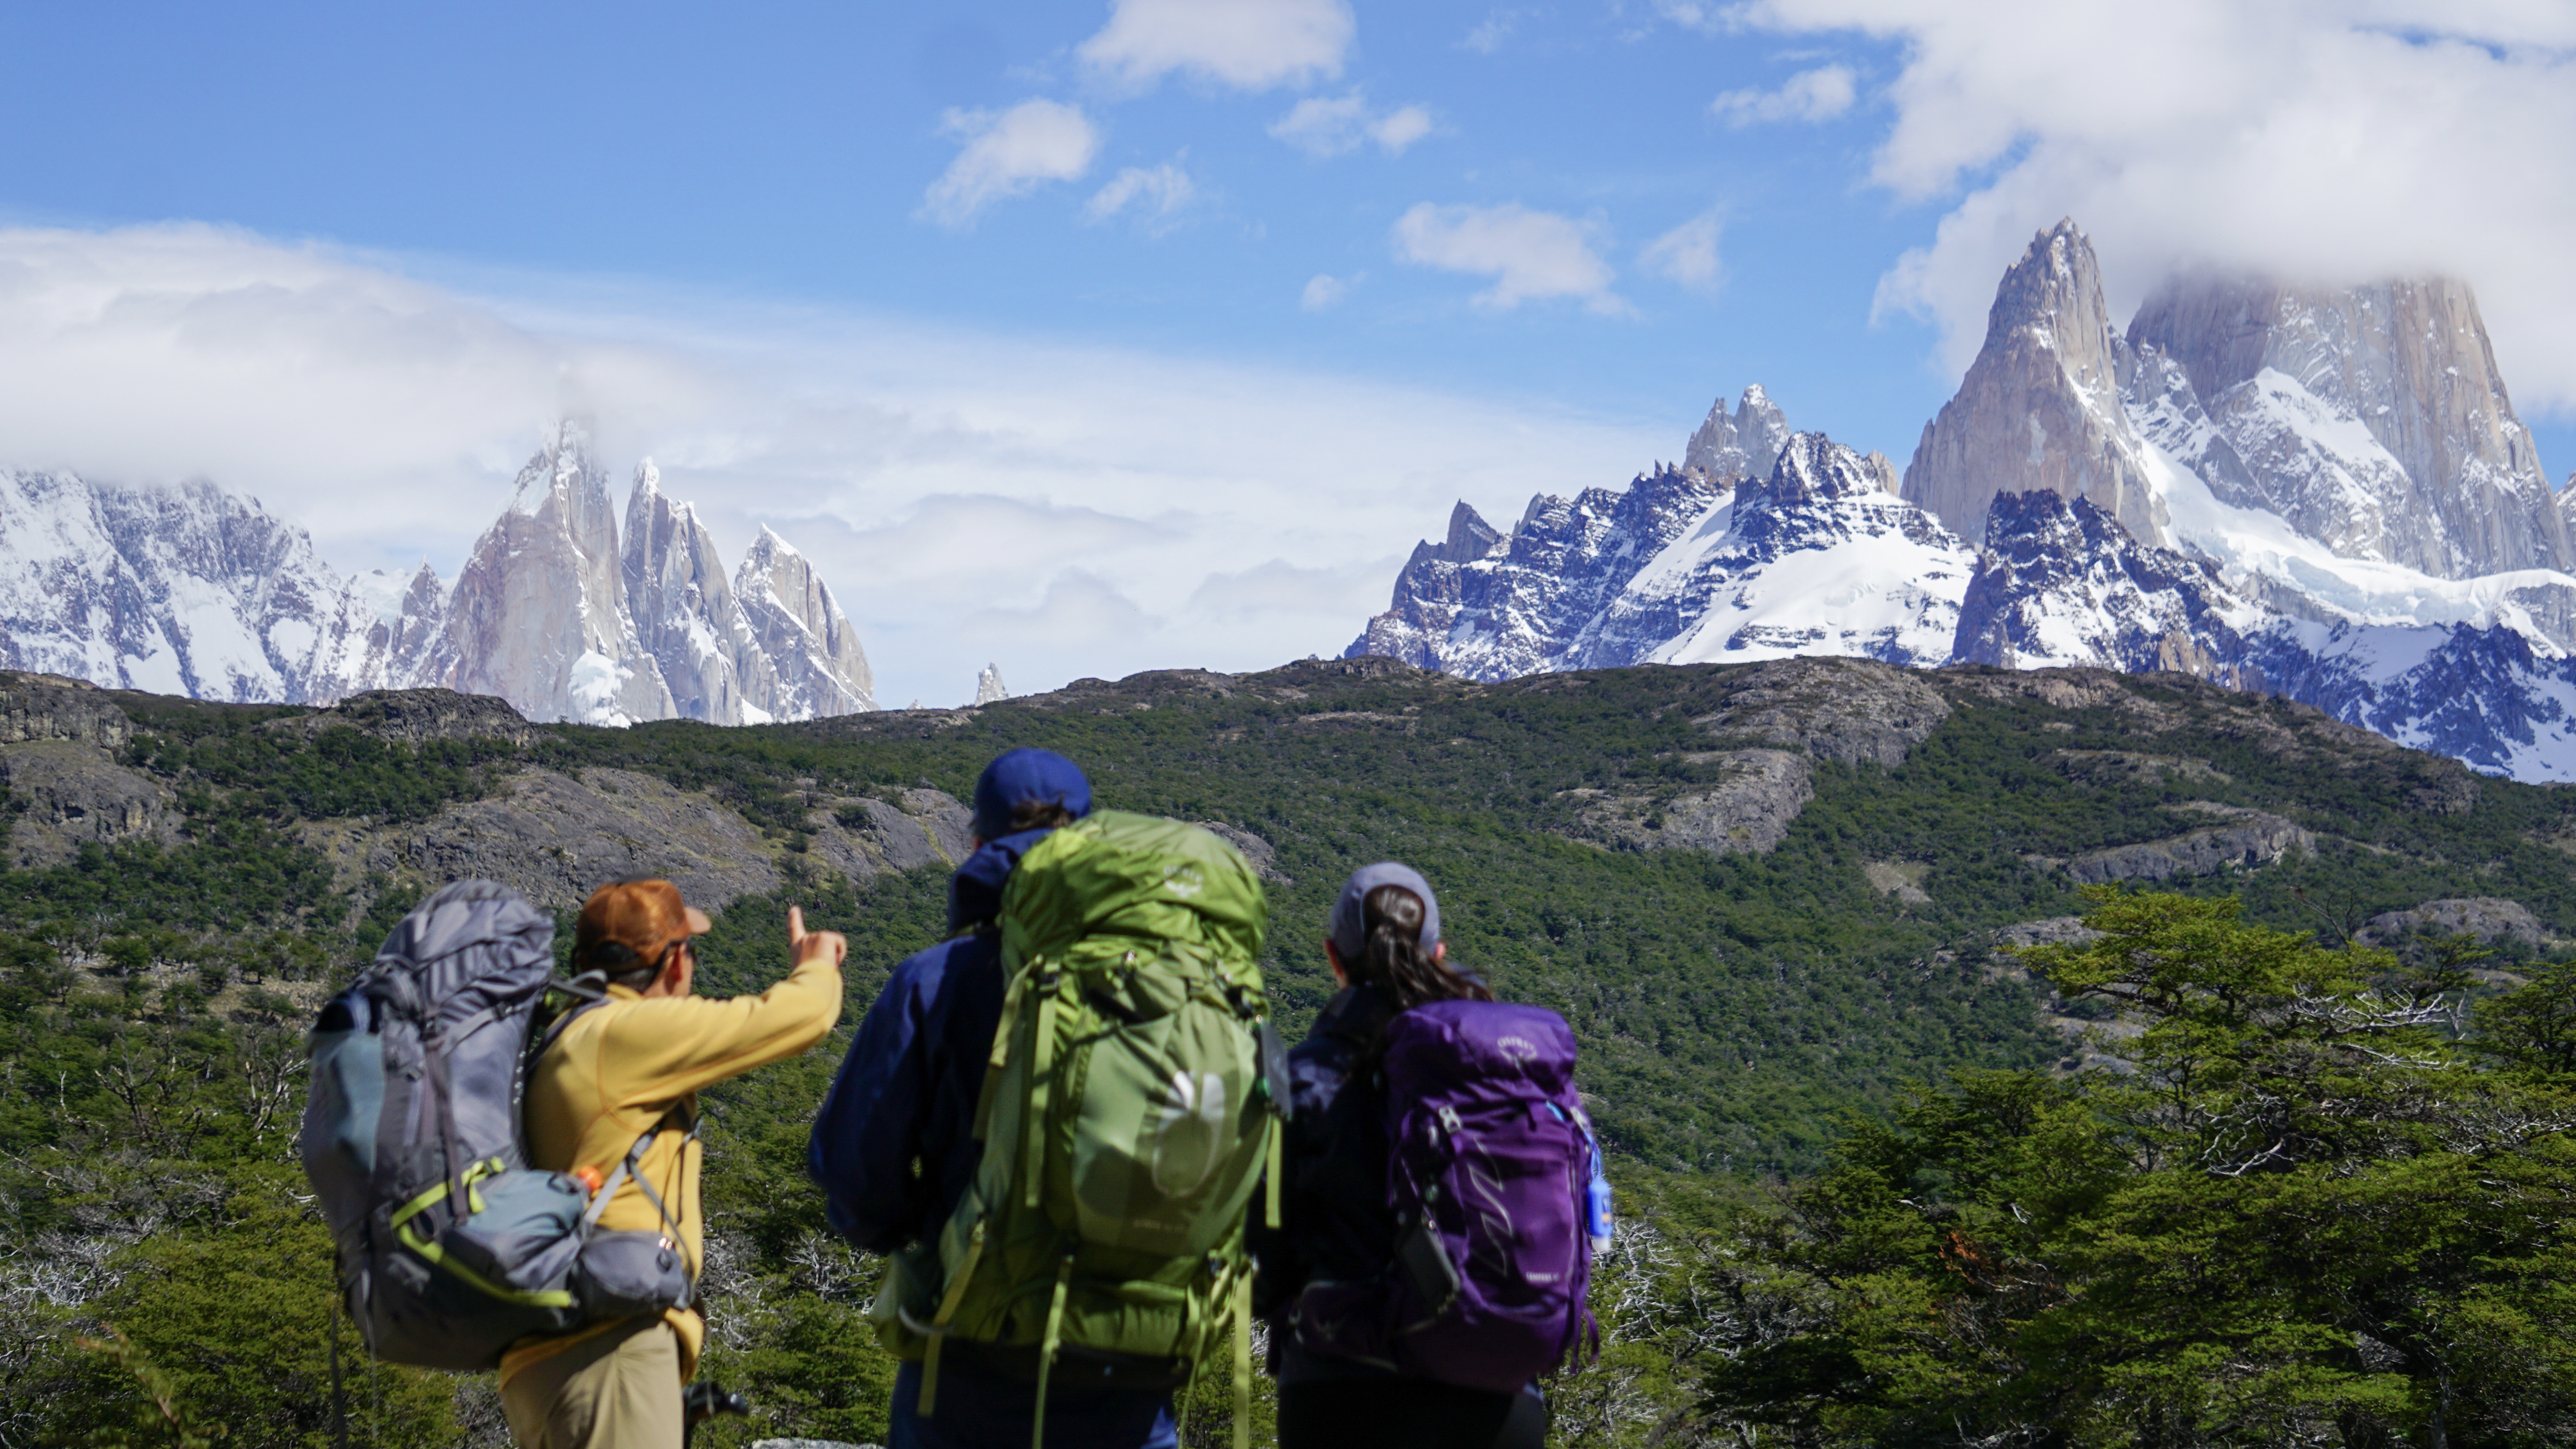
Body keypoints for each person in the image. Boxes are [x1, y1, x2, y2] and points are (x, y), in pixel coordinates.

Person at [809, 748, 1179, 1449]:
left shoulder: (933, 981)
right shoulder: (1170, 982)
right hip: (1132, 1356)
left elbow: (852, 1168)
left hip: (970, 1353)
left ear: (977, 844)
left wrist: (927, 1236)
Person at [500, 879, 847, 1449]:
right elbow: (801, 1019)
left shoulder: (567, 1034)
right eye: (690, 950)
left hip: (556, 1356)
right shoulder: (625, 1033)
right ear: (673, 962)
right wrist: (816, 963)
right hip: (609, 1353)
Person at [1252, 863, 1552, 1449]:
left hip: (1342, 1391)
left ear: (1333, 958)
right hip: (1499, 1398)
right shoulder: (1501, 1076)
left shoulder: (1304, 1078)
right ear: (1438, 953)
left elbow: (1265, 1266)